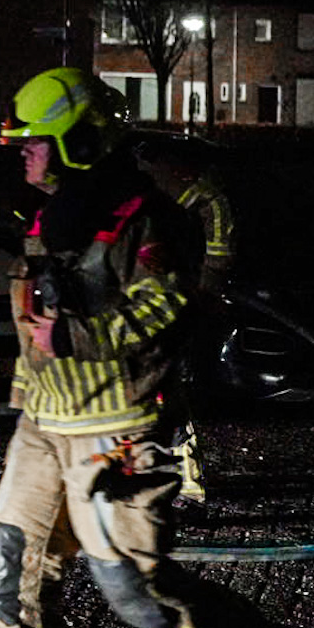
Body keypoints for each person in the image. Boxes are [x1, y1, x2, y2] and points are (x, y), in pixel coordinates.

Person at [0, 68, 283, 628]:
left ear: (78, 142)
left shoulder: (145, 218)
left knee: (135, 591)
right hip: (43, 426)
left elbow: (167, 305)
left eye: (35, 143)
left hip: (116, 432)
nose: (23, 155)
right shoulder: (50, 216)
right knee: (14, 573)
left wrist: (77, 330)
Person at [135, 135, 237, 503]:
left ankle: (184, 476)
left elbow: (214, 221)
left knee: (162, 384)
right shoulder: (144, 182)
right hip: (143, 298)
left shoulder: (168, 184)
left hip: (162, 297)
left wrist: (208, 284)